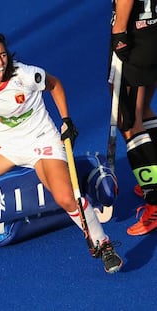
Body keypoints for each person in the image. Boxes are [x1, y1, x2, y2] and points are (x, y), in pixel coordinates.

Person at [0, 30, 122, 274]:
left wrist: (66, 120)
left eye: (2, 55)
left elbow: (54, 84)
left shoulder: (25, 74)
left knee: (66, 198)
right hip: (4, 145)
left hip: (42, 143)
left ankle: (102, 245)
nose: (0, 62)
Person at [109, 0, 157, 235]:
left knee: (128, 122)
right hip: (153, 35)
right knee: (144, 110)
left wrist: (119, 32)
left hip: (135, 36)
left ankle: (155, 200)